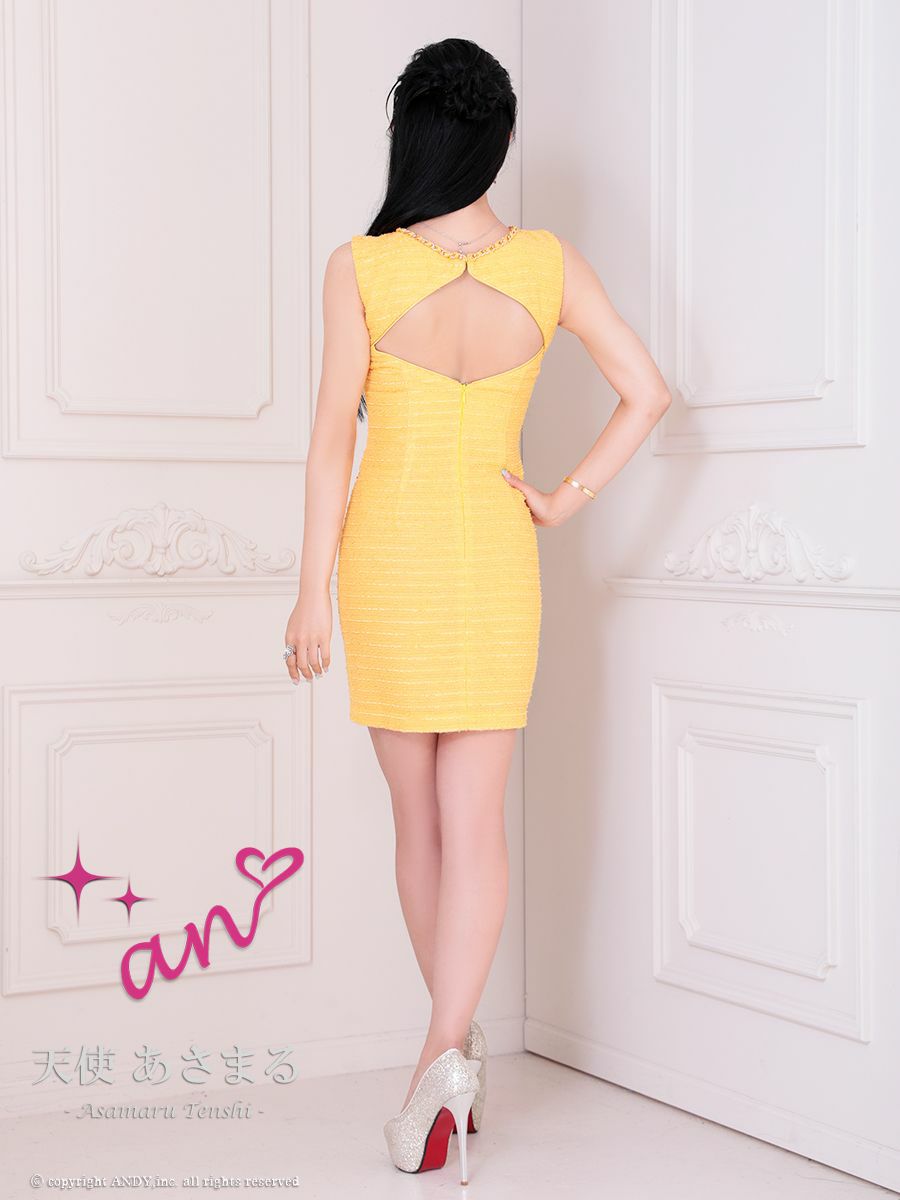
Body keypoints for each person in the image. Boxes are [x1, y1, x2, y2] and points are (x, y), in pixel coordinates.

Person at [282, 37, 671, 1183]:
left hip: (386, 559)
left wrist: (309, 595)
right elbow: (648, 393)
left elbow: (327, 447)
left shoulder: (361, 266)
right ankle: (447, 1053)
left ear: (412, 136)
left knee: (420, 826)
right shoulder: (548, 264)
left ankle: (440, 1060)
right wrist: (560, 501)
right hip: (499, 556)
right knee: (478, 824)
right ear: (498, 139)